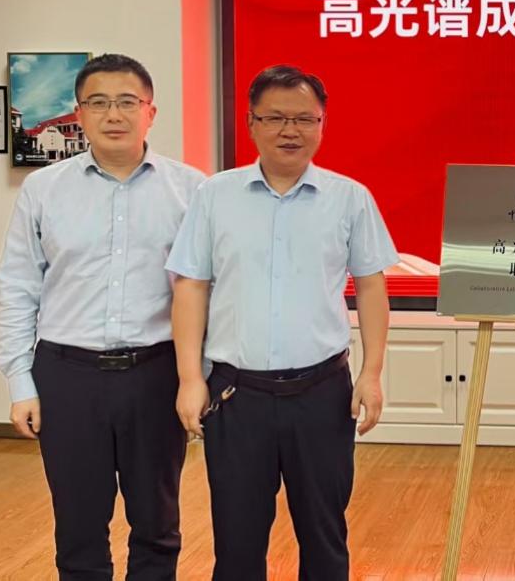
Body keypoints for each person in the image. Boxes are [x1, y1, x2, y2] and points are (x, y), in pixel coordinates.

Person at [166, 64, 397, 580]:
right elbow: (191, 287)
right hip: (235, 395)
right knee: (237, 538)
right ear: (251, 124)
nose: (289, 131)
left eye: (303, 119)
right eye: (274, 118)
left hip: (322, 394)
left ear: (321, 124)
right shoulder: (215, 196)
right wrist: (189, 379)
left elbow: (371, 286)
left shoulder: (349, 197)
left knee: (324, 533)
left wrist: (372, 373)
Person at [0, 53, 204, 580]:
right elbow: (18, 286)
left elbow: (208, 292)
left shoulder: (192, 190)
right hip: (68, 376)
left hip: (156, 373)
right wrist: (20, 381)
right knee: (78, 526)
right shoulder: (43, 189)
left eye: (127, 102)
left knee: (157, 523)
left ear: (150, 112)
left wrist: (198, 376)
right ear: (79, 113)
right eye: (99, 102)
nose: (114, 114)